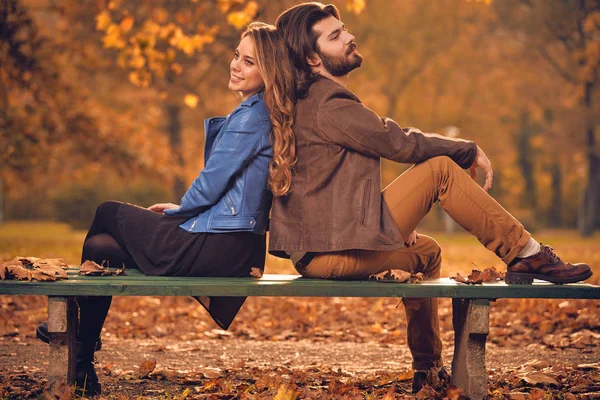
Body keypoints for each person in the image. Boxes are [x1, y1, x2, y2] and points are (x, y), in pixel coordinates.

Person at [269, 2, 592, 393]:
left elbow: (330, 188)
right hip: (332, 252)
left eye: (345, 28)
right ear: (311, 57)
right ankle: (526, 252)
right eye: (336, 35)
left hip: (321, 253)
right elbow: (397, 141)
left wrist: (386, 222)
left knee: (427, 254)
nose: (350, 36)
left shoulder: (311, 102)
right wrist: (465, 150)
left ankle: (428, 370)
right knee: (439, 170)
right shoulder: (327, 102)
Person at [35, 22, 296, 396]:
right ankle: (81, 365)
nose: (236, 64)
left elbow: (210, 184)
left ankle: (78, 338)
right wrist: (183, 211)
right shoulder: (262, 113)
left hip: (217, 243)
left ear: (268, 72)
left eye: (249, 61)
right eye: (237, 55)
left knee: (107, 210)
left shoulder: (250, 117)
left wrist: (178, 211)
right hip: (234, 245)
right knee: (101, 250)